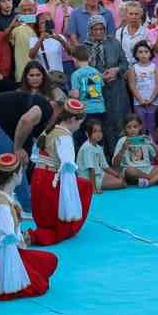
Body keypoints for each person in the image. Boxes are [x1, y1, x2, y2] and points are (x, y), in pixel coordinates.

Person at [0, 153, 59, 303]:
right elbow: (8, 241)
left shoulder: (3, 196)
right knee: (41, 283)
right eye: (21, 171)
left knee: (48, 262)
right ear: (14, 175)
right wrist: (11, 279)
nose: (22, 174)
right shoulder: (2, 206)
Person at [28, 98, 91, 246]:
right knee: (85, 187)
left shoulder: (49, 130)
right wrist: (70, 203)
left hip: (38, 176)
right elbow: (67, 167)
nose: (78, 127)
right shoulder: (64, 137)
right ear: (73, 119)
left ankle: (42, 229)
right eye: (79, 123)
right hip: (52, 180)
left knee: (84, 184)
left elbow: (35, 155)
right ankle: (54, 230)